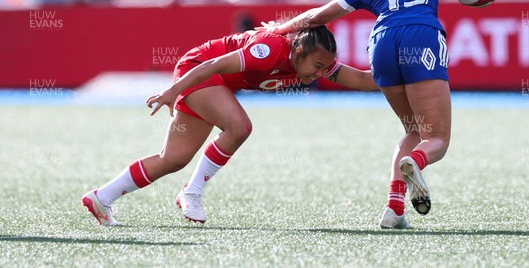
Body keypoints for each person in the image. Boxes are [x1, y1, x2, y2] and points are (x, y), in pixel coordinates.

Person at [259, 0, 505, 229]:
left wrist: (278, 30)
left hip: (382, 42)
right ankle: (417, 162)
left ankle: (393, 209)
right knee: (436, 138)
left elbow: (317, 16)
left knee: (414, 130)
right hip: (421, 35)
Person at [82, 26, 377, 226]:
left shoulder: (311, 60)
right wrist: (173, 91)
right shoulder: (270, 50)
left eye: (326, 68)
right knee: (239, 127)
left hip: (214, 84)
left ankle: (101, 197)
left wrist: (408, 75)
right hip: (197, 70)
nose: (320, 74)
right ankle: (192, 192)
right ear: (298, 54)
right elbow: (211, 66)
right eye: (317, 67)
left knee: (172, 159)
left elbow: (363, 80)